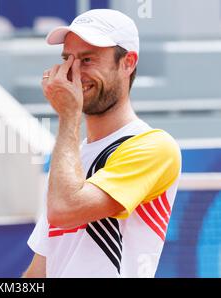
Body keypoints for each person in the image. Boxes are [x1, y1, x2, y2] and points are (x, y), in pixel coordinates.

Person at [24, 9, 181, 278]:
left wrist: (68, 115)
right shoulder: (70, 156)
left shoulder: (154, 146)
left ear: (128, 63)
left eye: (87, 60)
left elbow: (65, 209)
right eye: (67, 59)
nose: (71, 73)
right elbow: (40, 271)